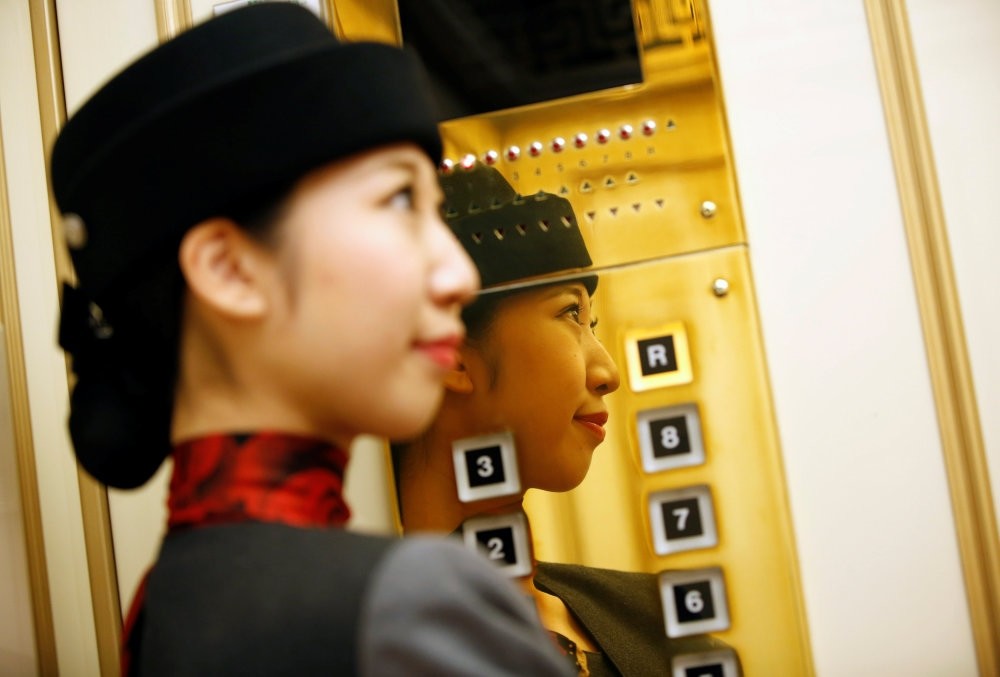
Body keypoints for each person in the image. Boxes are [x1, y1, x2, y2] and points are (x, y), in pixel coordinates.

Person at [49, 5, 573, 676]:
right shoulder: (408, 606)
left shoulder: (167, 603)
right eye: (399, 201)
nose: (459, 274)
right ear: (230, 269)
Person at [393, 163, 736, 676]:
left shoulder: (652, 622)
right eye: (570, 314)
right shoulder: (359, 642)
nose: (608, 372)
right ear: (452, 355)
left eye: (590, 322)